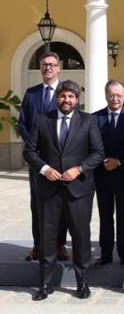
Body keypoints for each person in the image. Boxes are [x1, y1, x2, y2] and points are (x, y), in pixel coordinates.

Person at [23, 79, 105, 301]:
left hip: (78, 191)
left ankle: (83, 283)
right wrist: (45, 168)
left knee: (81, 238)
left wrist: (78, 169)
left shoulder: (88, 121)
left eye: (71, 96)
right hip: (49, 191)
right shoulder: (42, 120)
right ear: (57, 98)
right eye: (62, 96)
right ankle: (45, 284)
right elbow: (29, 151)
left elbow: (98, 153)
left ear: (77, 100)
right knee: (47, 239)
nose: (66, 100)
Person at [18, 51, 69, 262]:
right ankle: (38, 245)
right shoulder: (31, 94)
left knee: (62, 202)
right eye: (44, 64)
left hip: (60, 159)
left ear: (58, 68)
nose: (47, 68)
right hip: (37, 160)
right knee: (37, 203)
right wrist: (33, 147)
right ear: (41, 69)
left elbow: (71, 124)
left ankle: (59, 244)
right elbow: (22, 123)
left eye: (51, 64)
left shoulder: (67, 93)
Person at [92, 80, 124, 267]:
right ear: (106, 96)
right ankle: (105, 253)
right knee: (105, 215)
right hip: (102, 174)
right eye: (111, 94)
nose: (115, 98)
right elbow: (92, 144)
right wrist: (104, 160)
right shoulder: (95, 118)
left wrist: (117, 160)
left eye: (118, 94)